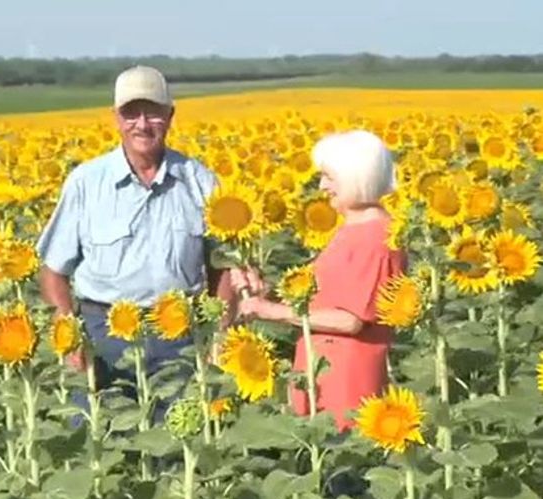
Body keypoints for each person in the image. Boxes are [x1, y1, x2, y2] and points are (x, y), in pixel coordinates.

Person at [35, 65, 235, 418]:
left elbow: (222, 268)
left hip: (181, 335)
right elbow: (53, 271)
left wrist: (219, 336)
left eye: (153, 112)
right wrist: (67, 332)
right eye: (130, 113)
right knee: (102, 444)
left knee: (178, 449)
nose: (142, 124)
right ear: (115, 118)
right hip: (102, 335)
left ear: (170, 116)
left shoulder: (199, 181)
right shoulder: (87, 183)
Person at [231, 130, 406, 432]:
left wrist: (271, 312)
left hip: (348, 381)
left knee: (344, 464)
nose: (322, 186)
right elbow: (327, 297)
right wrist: (267, 294)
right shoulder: (354, 230)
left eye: (330, 177)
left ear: (356, 177)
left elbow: (350, 319)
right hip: (325, 371)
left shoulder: (375, 237)